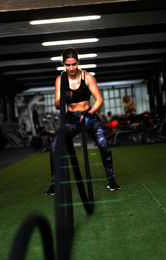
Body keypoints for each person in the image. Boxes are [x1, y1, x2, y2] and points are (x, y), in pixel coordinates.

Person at [45, 48, 120, 195]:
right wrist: (64, 96)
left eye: (74, 64)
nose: (71, 68)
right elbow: (57, 105)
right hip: (71, 119)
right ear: (63, 64)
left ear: (78, 62)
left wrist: (89, 114)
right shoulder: (60, 80)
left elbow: (99, 100)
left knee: (104, 144)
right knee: (55, 146)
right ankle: (55, 184)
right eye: (68, 65)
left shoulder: (87, 77)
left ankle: (111, 179)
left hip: (88, 116)